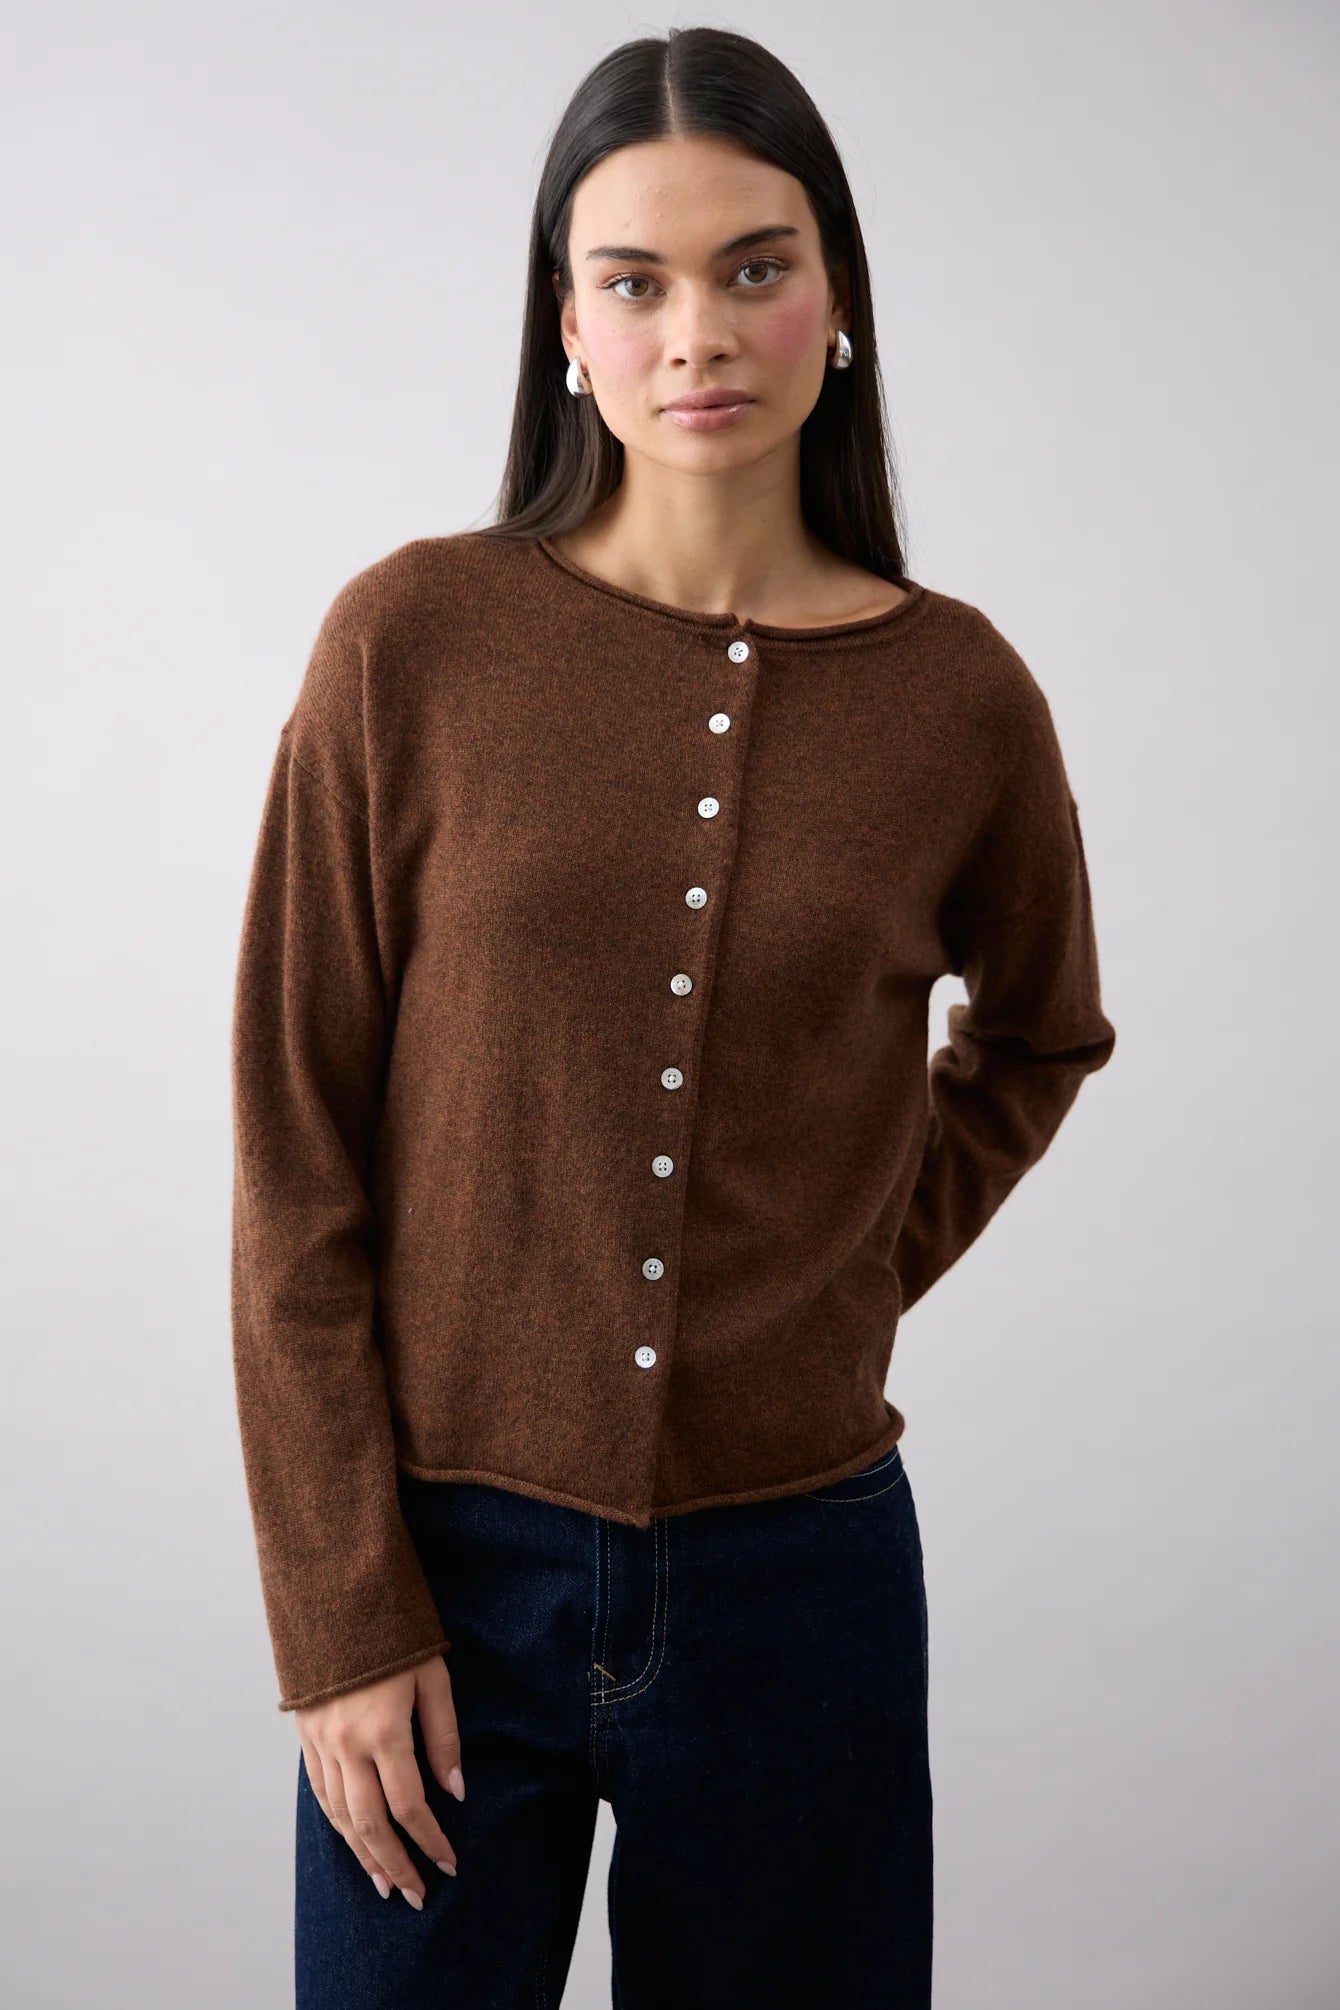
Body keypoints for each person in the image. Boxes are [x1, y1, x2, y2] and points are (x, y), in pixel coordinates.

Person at [229, 24, 1117, 2009]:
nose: (696, 333)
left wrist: (840, 1270)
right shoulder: (411, 645)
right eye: (632, 280)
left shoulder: (962, 699)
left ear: (838, 300)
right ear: (564, 324)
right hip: (442, 1578)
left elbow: (1042, 1034)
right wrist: (340, 1613)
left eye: (753, 267)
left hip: (803, 1582)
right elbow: (295, 1150)